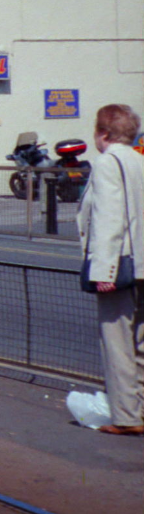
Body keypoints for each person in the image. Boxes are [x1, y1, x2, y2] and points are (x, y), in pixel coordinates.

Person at [79, 104, 144, 436]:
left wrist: (104, 270)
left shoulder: (107, 163)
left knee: (117, 343)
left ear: (102, 133)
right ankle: (141, 408)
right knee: (142, 343)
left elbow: (109, 219)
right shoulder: (140, 161)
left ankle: (127, 417)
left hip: (122, 265)